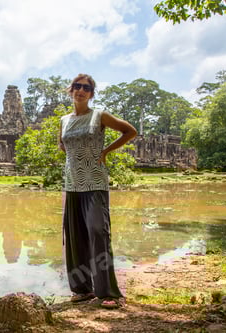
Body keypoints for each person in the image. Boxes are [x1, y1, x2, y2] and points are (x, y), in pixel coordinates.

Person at [58, 73, 137, 309]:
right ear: (70, 90)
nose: (81, 90)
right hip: (72, 184)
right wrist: (75, 161)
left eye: (86, 87)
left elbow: (130, 131)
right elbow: (63, 145)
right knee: (75, 236)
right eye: (77, 86)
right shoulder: (63, 120)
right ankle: (82, 290)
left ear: (91, 93)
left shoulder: (98, 116)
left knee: (97, 231)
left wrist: (105, 152)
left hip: (95, 182)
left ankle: (108, 292)